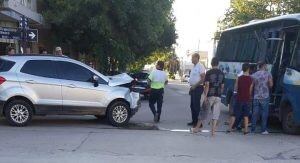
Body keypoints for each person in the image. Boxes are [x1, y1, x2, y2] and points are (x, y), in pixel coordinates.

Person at [191, 57, 224, 136]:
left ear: (211, 63)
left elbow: (207, 85)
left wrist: (205, 96)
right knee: (215, 115)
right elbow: (222, 86)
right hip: (218, 96)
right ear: (218, 64)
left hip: (210, 95)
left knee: (203, 112)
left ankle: (196, 129)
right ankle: (213, 132)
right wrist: (220, 94)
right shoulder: (222, 73)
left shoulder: (209, 72)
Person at [227, 63, 253, 134]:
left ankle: (229, 129)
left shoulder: (239, 78)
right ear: (248, 69)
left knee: (234, 114)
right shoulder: (251, 79)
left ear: (242, 69)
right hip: (247, 99)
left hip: (239, 98)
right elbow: (250, 90)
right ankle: (246, 130)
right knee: (246, 115)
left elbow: (235, 88)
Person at [251, 61, 273, 134]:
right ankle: (263, 130)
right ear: (264, 66)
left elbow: (252, 85)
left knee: (255, 113)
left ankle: (253, 130)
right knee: (264, 113)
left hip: (256, 96)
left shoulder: (254, 75)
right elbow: (271, 85)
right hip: (265, 96)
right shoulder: (268, 74)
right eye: (266, 65)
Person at [188, 53, 206, 127]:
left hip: (198, 88)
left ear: (196, 58)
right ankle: (194, 121)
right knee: (192, 105)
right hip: (193, 88)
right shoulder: (194, 66)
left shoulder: (200, 66)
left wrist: (195, 86)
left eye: (192, 58)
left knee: (196, 106)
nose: (191, 59)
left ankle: (199, 124)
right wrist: (192, 87)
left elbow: (203, 78)